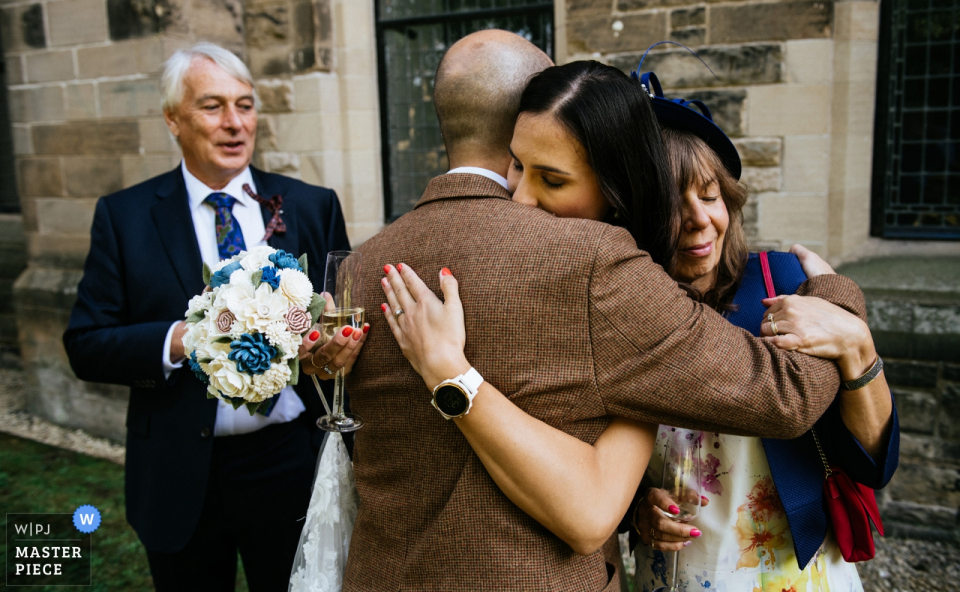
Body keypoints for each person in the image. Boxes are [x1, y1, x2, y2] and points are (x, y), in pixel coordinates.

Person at [344, 33, 870, 592]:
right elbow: (785, 398)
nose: (522, 202)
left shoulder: (362, 264)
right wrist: (836, 295)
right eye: (523, 168)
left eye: (552, 178)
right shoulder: (593, 263)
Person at [62, 42, 366, 591]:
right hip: (178, 469)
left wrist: (331, 351)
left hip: (288, 460)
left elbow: (338, 320)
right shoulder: (125, 216)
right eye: (212, 106)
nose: (234, 123)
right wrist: (181, 340)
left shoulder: (309, 205)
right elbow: (86, 342)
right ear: (173, 119)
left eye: (245, 105)